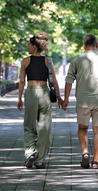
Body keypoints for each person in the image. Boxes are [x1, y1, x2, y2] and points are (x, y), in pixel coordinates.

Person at [62, 34, 98, 169]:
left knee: (82, 128)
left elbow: (68, 80)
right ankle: (95, 161)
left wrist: (66, 99)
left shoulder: (77, 59)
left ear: (84, 46)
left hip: (83, 101)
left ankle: (85, 152)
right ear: (97, 45)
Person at [17, 32, 63, 169]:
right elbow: (54, 80)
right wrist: (59, 98)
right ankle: (39, 160)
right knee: (45, 128)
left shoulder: (25, 61)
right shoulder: (48, 61)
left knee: (29, 126)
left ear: (34, 47)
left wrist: (19, 98)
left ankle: (30, 153)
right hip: (44, 93)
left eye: (29, 45)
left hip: (31, 93)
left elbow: (21, 82)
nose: (27, 47)